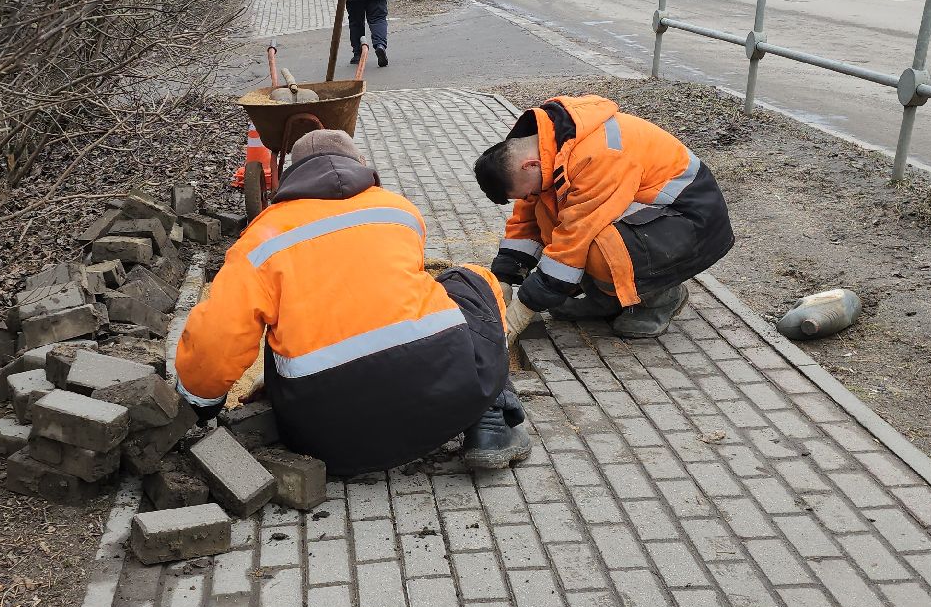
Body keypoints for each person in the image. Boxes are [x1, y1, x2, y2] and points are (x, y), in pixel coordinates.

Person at [174, 130, 530, 473]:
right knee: (470, 279)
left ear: (290, 177)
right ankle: (490, 422)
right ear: (359, 163)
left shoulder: (259, 240)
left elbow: (219, 337)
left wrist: (198, 404)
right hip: (446, 406)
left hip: (326, 439)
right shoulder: (400, 211)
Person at [473, 95, 735, 340]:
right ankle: (608, 299)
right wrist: (503, 279)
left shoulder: (597, 155)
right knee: (548, 212)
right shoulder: (546, 150)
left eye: (527, 192)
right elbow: (526, 223)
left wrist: (524, 308)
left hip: (692, 223)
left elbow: (572, 242)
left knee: (597, 247)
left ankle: (662, 297)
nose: (528, 197)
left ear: (528, 165)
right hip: (654, 220)